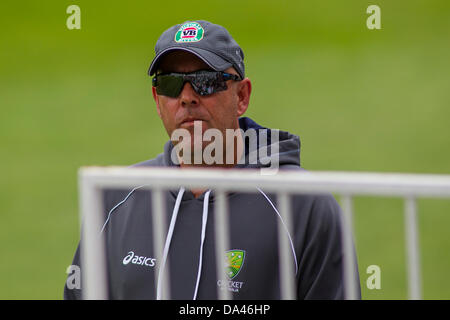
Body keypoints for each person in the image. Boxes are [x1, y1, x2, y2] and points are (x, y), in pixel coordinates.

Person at [64, 20, 361, 300]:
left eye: (205, 81)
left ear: (241, 96)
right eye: (170, 83)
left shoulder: (304, 205)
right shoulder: (116, 198)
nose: (187, 97)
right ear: (157, 100)